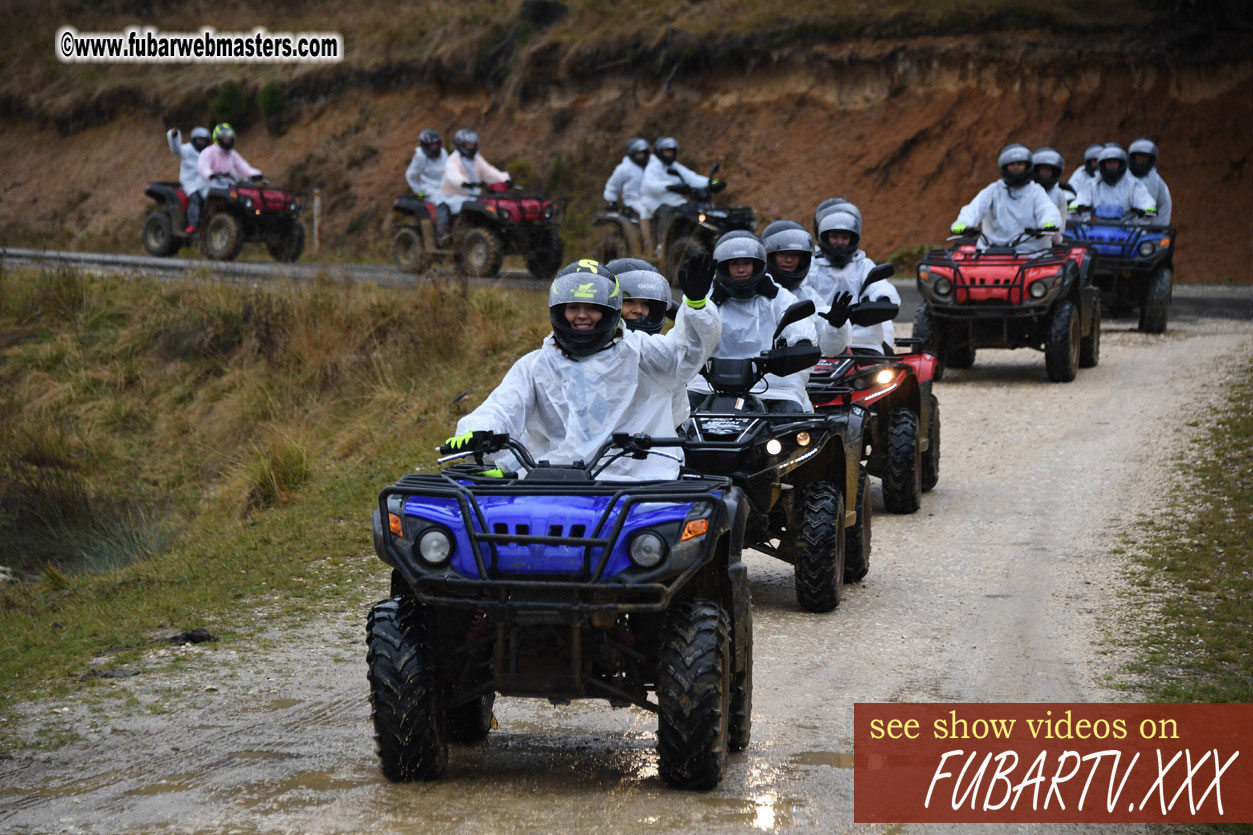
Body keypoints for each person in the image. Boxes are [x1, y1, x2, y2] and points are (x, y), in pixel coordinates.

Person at [446, 259, 720, 481]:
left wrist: (696, 305)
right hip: (554, 478)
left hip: (638, 478)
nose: (581, 315)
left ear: (610, 311)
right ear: (557, 310)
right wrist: (478, 432)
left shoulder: (641, 352)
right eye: (573, 307)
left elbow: (687, 355)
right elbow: (503, 407)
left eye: (592, 308)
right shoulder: (536, 364)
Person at [686, 233, 819, 413]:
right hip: (708, 382)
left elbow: (797, 323)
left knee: (790, 419)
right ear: (724, 267)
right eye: (734, 264)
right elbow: (690, 332)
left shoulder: (778, 296)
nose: (741, 269)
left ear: (756, 265)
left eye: (746, 263)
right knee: (679, 415)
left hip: (772, 383)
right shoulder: (708, 298)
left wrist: (801, 342)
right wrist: (695, 304)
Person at [605, 256, 692, 427]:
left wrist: (694, 306)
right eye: (628, 302)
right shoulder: (590, 351)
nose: (638, 310)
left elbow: (677, 418)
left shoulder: (661, 352)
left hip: (657, 443)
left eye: (645, 304)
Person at [808, 209, 899, 355]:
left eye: (845, 237)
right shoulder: (812, 267)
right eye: (834, 237)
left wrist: (884, 298)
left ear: (853, 239)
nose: (840, 242)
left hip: (859, 338)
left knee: (883, 369)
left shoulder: (863, 264)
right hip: (820, 336)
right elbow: (802, 296)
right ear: (824, 238)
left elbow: (879, 285)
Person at [762, 220, 852, 356]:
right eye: (783, 254)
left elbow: (829, 350)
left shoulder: (807, 295)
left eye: (795, 255)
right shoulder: (755, 292)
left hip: (795, 373)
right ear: (769, 256)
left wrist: (836, 326)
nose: (789, 260)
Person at [951, 143, 1061, 251]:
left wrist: (1049, 224)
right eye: (1012, 164)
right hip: (993, 252)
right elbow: (974, 209)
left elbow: (1047, 210)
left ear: (1027, 166)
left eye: (1020, 164)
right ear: (1005, 167)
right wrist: (963, 224)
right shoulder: (994, 190)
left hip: (1030, 253)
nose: (1016, 167)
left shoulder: (1036, 191)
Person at [639, 137, 716, 252]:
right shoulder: (653, 166)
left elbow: (692, 178)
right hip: (655, 202)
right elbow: (649, 185)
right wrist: (669, 186)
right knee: (668, 212)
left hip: (674, 200)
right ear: (659, 151)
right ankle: (661, 245)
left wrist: (710, 183)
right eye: (667, 151)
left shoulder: (674, 166)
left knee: (693, 209)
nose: (669, 154)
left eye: (672, 151)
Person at [436, 129, 510, 246]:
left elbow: (489, 171)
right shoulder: (453, 159)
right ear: (460, 145)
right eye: (468, 145)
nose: (470, 147)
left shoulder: (477, 159)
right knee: (454, 210)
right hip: (453, 196)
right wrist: (463, 182)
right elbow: (453, 174)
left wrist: (504, 179)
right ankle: (446, 236)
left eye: (473, 145)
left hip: (473, 197)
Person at [1070, 144, 1156, 219]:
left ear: (1121, 164)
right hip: (1096, 228)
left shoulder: (1134, 185)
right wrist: (1076, 206)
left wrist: (1146, 209)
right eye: (1108, 162)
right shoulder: (1092, 185)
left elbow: (1146, 203)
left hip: (1127, 230)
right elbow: (1080, 200)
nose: (1111, 165)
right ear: (1103, 165)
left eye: (1115, 162)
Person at [167, 126, 210, 234]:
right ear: (194, 140)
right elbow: (176, 149)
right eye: (200, 140)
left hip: (205, 183)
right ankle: (192, 224)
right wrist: (174, 136)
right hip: (189, 183)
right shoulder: (187, 150)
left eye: (204, 141)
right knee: (195, 199)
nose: (202, 143)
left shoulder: (208, 153)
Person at [1128, 137, 1172, 225]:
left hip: (1143, 231)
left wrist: (1158, 229)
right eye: (1139, 157)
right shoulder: (1121, 177)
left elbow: (1163, 208)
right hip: (1119, 228)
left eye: (1145, 158)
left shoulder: (1156, 182)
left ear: (1151, 160)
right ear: (1133, 157)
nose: (1141, 161)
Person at [603, 137, 649, 217]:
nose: (641, 156)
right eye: (638, 154)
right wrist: (612, 201)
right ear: (632, 154)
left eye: (643, 153)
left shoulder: (652, 167)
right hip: (633, 203)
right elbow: (613, 185)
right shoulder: (624, 169)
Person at [1032, 146, 1070, 242]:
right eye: (1043, 169)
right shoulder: (1029, 190)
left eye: (1049, 170)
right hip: (1026, 239)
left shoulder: (1058, 193)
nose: (1046, 172)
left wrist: (1056, 237)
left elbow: (1062, 221)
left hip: (1049, 240)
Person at [405, 128, 448, 202]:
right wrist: (420, 193)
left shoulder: (443, 152)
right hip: (430, 191)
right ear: (425, 146)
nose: (435, 147)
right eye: (432, 145)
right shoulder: (420, 157)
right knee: (443, 202)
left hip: (446, 187)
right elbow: (410, 176)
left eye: (436, 144)